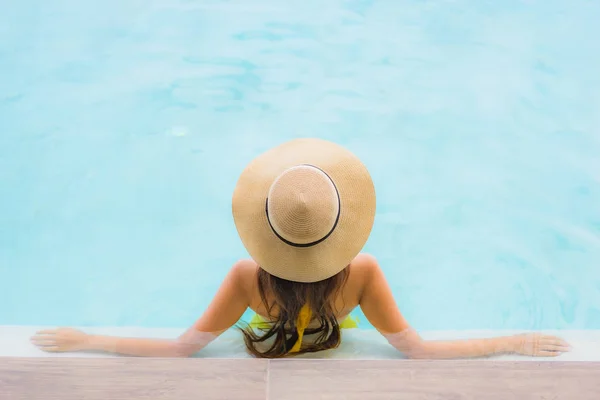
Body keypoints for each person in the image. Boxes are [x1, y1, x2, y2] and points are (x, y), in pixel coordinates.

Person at [31, 138, 570, 359]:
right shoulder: (361, 274)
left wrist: (86, 339)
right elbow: (419, 352)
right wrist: (513, 340)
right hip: (336, 327)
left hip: (280, 326)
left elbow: (179, 350)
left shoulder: (248, 279)